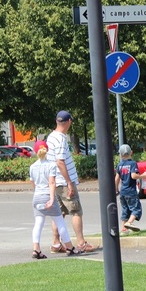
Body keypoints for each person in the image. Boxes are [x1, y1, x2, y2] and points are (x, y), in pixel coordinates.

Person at [46, 110, 96, 253]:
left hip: (55, 181)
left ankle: (56, 243)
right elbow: (60, 162)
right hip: (63, 181)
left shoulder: (51, 137)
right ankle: (81, 243)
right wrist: (69, 182)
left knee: (59, 213)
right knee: (76, 211)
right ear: (69, 122)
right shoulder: (61, 138)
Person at [29, 140, 81, 258]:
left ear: (35, 151)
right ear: (47, 150)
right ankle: (70, 247)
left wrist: (39, 193)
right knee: (60, 222)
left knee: (38, 223)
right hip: (47, 195)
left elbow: (33, 183)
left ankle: (36, 249)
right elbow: (52, 182)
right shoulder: (51, 165)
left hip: (37, 197)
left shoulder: (33, 167)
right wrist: (52, 199)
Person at [115, 144, 146, 235]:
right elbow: (133, 176)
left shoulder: (120, 165)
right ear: (131, 153)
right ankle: (129, 223)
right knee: (136, 208)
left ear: (120, 155)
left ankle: (123, 229)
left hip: (123, 191)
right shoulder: (133, 163)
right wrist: (142, 176)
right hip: (131, 191)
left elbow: (116, 179)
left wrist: (116, 189)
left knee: (125, 210)